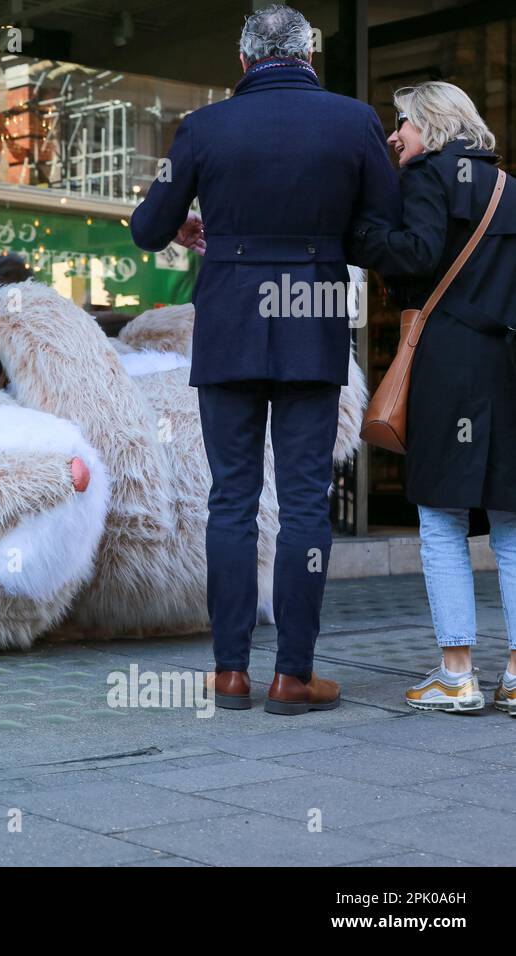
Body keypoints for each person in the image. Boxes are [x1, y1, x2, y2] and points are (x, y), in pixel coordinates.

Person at [129, 4, 400, 714]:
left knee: (232, 501)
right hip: (310, 317)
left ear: (243, 61)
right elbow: (382, 233)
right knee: (306, 503)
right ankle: (293, 675)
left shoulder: (204, 127)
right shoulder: (354, 122)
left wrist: (194, 220)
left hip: (230, 323)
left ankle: (228, 673)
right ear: (310, 54)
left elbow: (148, 228)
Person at [349, 82, 516, 715]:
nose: (397, 135)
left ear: (433, 126)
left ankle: (456, 672)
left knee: (441, 518)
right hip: (505, 362)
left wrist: (362, 237)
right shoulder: (510, 190)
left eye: (404, 124)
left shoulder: (427, 175)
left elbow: (416, 252)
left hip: (448, 361)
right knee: (511, 522)